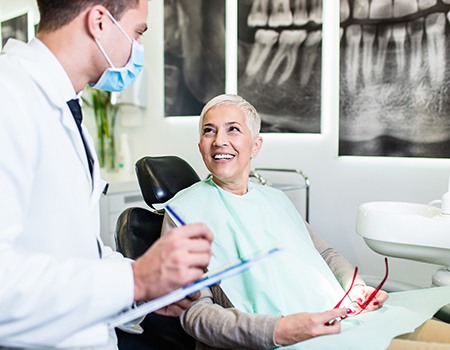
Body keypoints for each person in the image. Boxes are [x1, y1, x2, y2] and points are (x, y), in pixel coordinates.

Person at [161, 94, 450, 350]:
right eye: (209, 131)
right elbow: (196, 313)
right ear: (200, 144)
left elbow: (324, 254)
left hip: (341, 318)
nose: (219, 140)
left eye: (233, 129)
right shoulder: (184, 213)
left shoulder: (274, 198)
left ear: (255, 145)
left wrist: (356, 288)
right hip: (284, 340)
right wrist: (279, 330)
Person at [0, 1, 212, 349]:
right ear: (100, 22)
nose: (137, 48)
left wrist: (145, 293)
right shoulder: (9, 98)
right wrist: (134, 280)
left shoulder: (66, 109)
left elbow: (79, 252)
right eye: (137, 32)